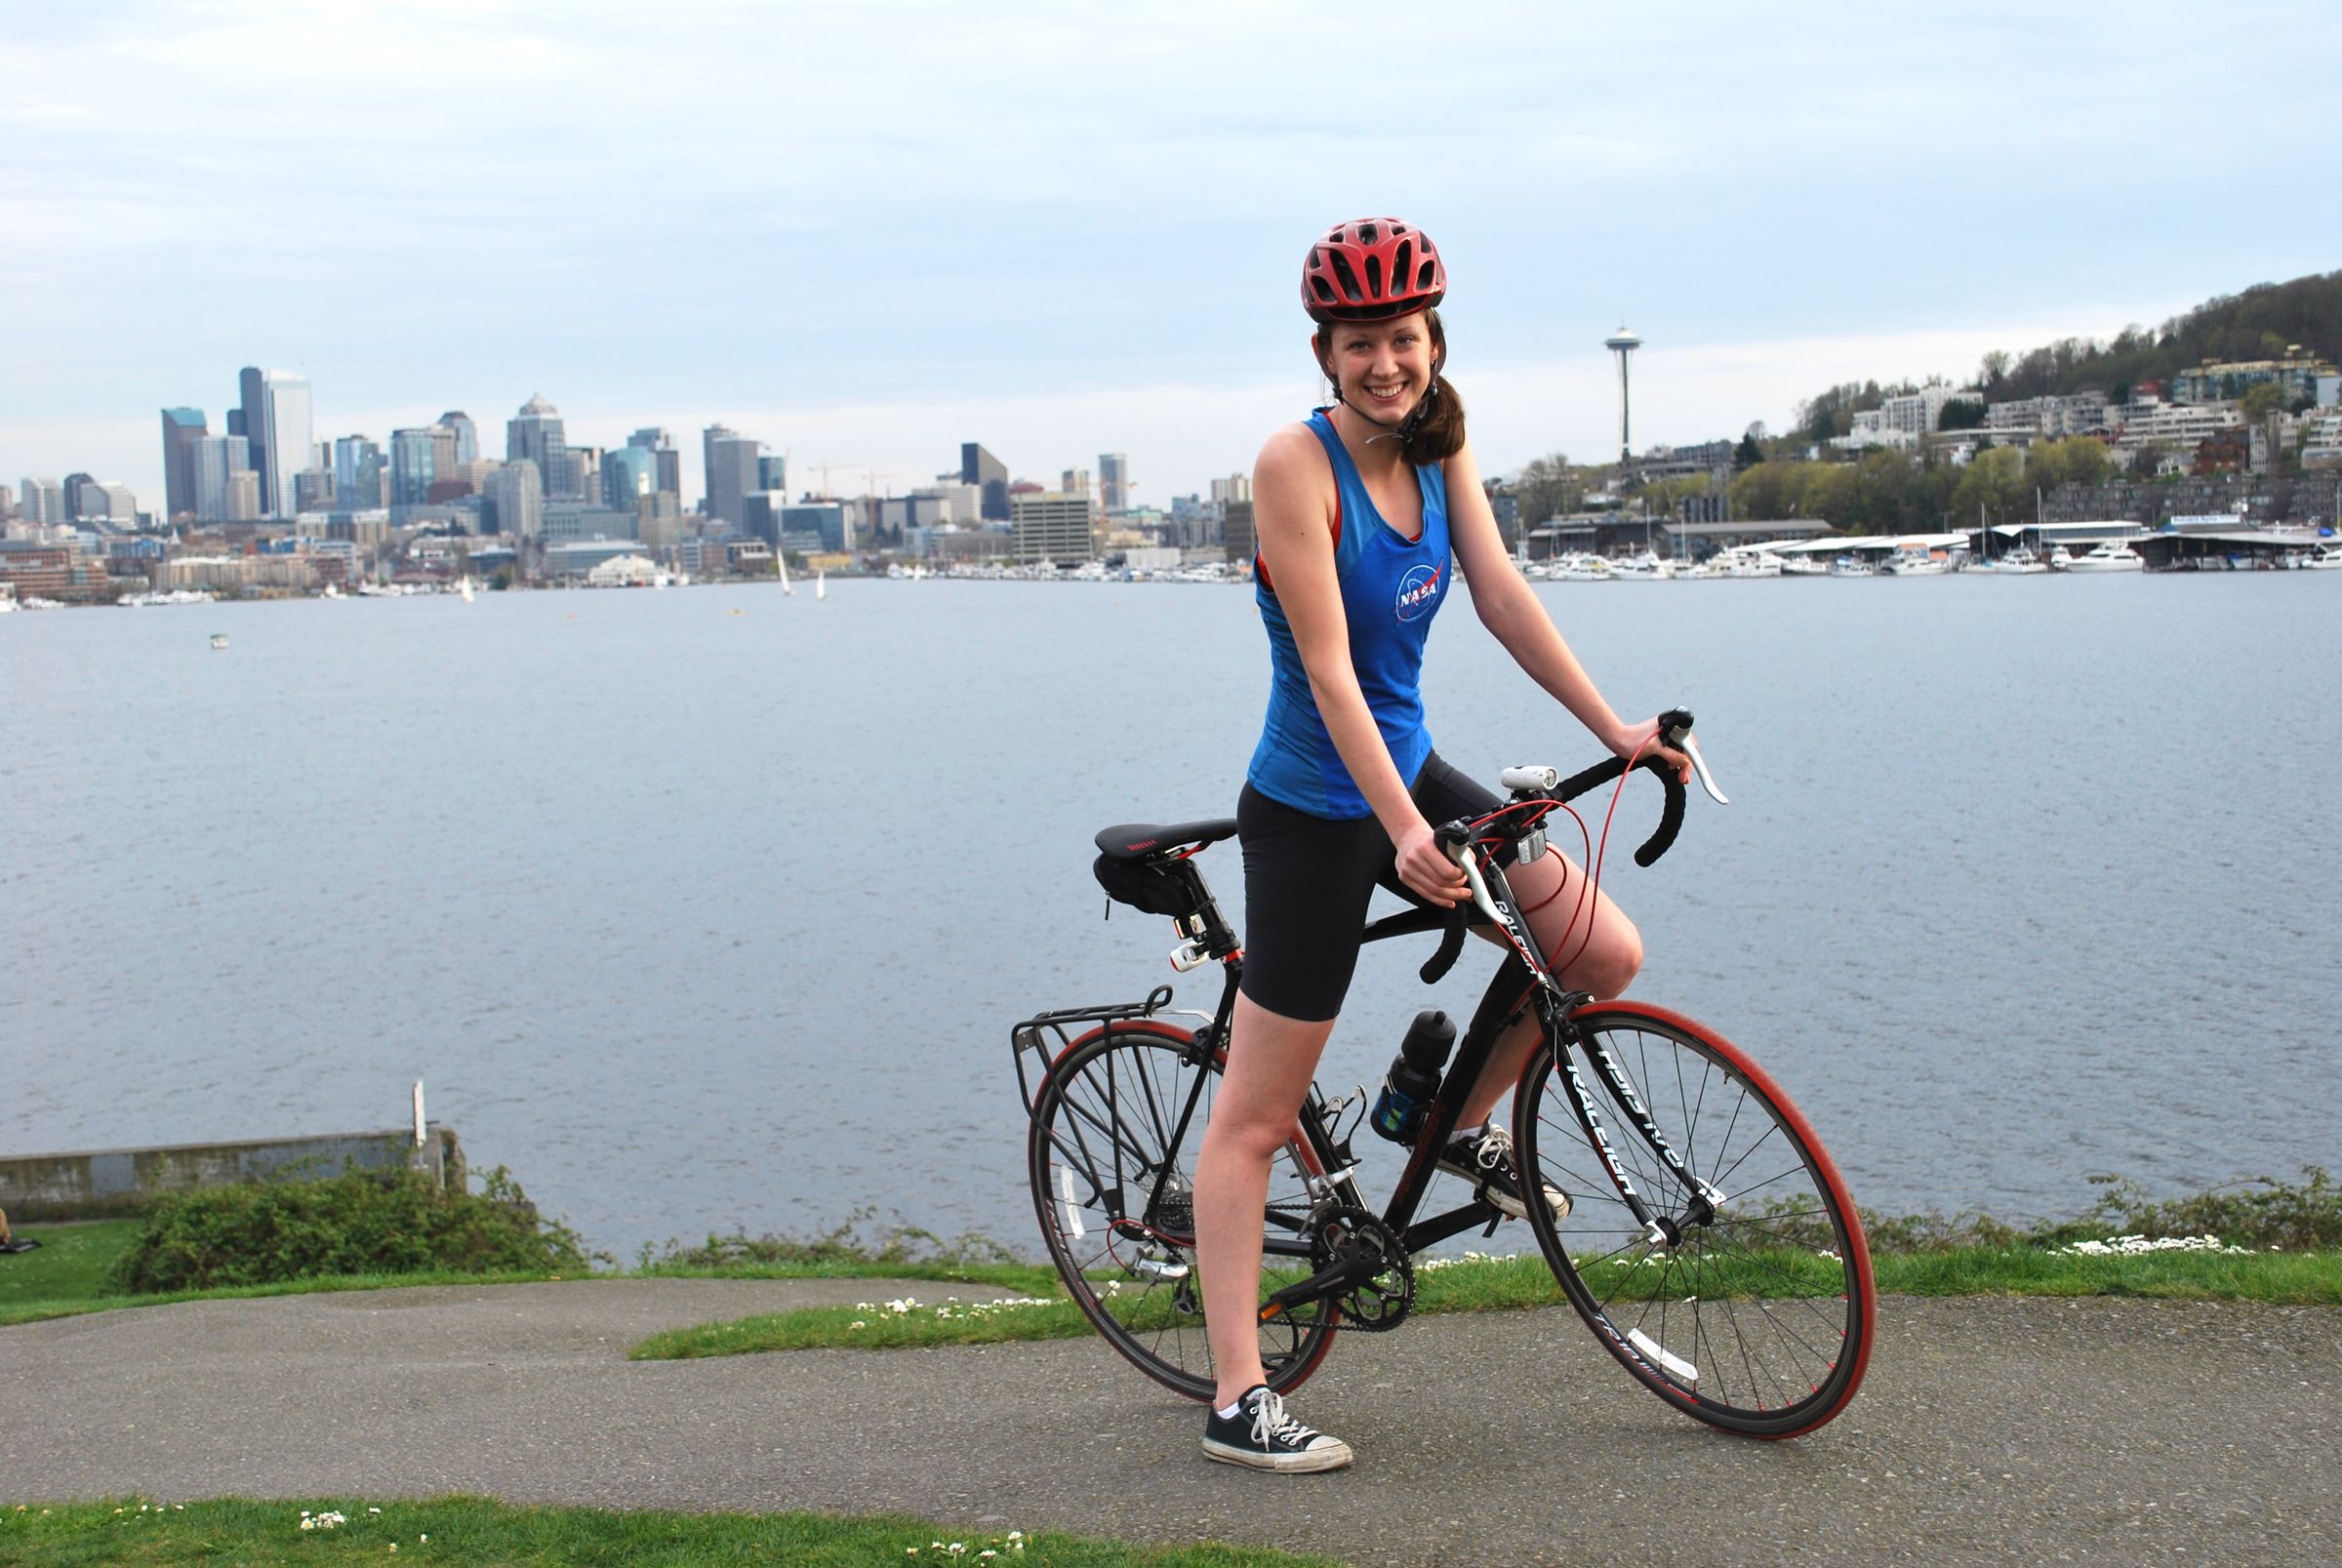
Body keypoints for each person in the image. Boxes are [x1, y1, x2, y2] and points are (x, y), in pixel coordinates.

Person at [1194, 218, 1687, 1472]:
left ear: (1431, 342)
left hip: (1409, 775)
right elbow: (1331, 669)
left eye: (1402, 339)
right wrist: (1403, 830)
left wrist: (1616, 727)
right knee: (1255, 1119)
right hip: (1313, 807)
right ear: (1326, 351)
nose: (1385, 363)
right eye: (1361, 343)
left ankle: (1439, 1118)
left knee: (1597, 949)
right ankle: (1239, 1394)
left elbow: (1504, 594)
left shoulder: (1441, 438)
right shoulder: (1290, 468)